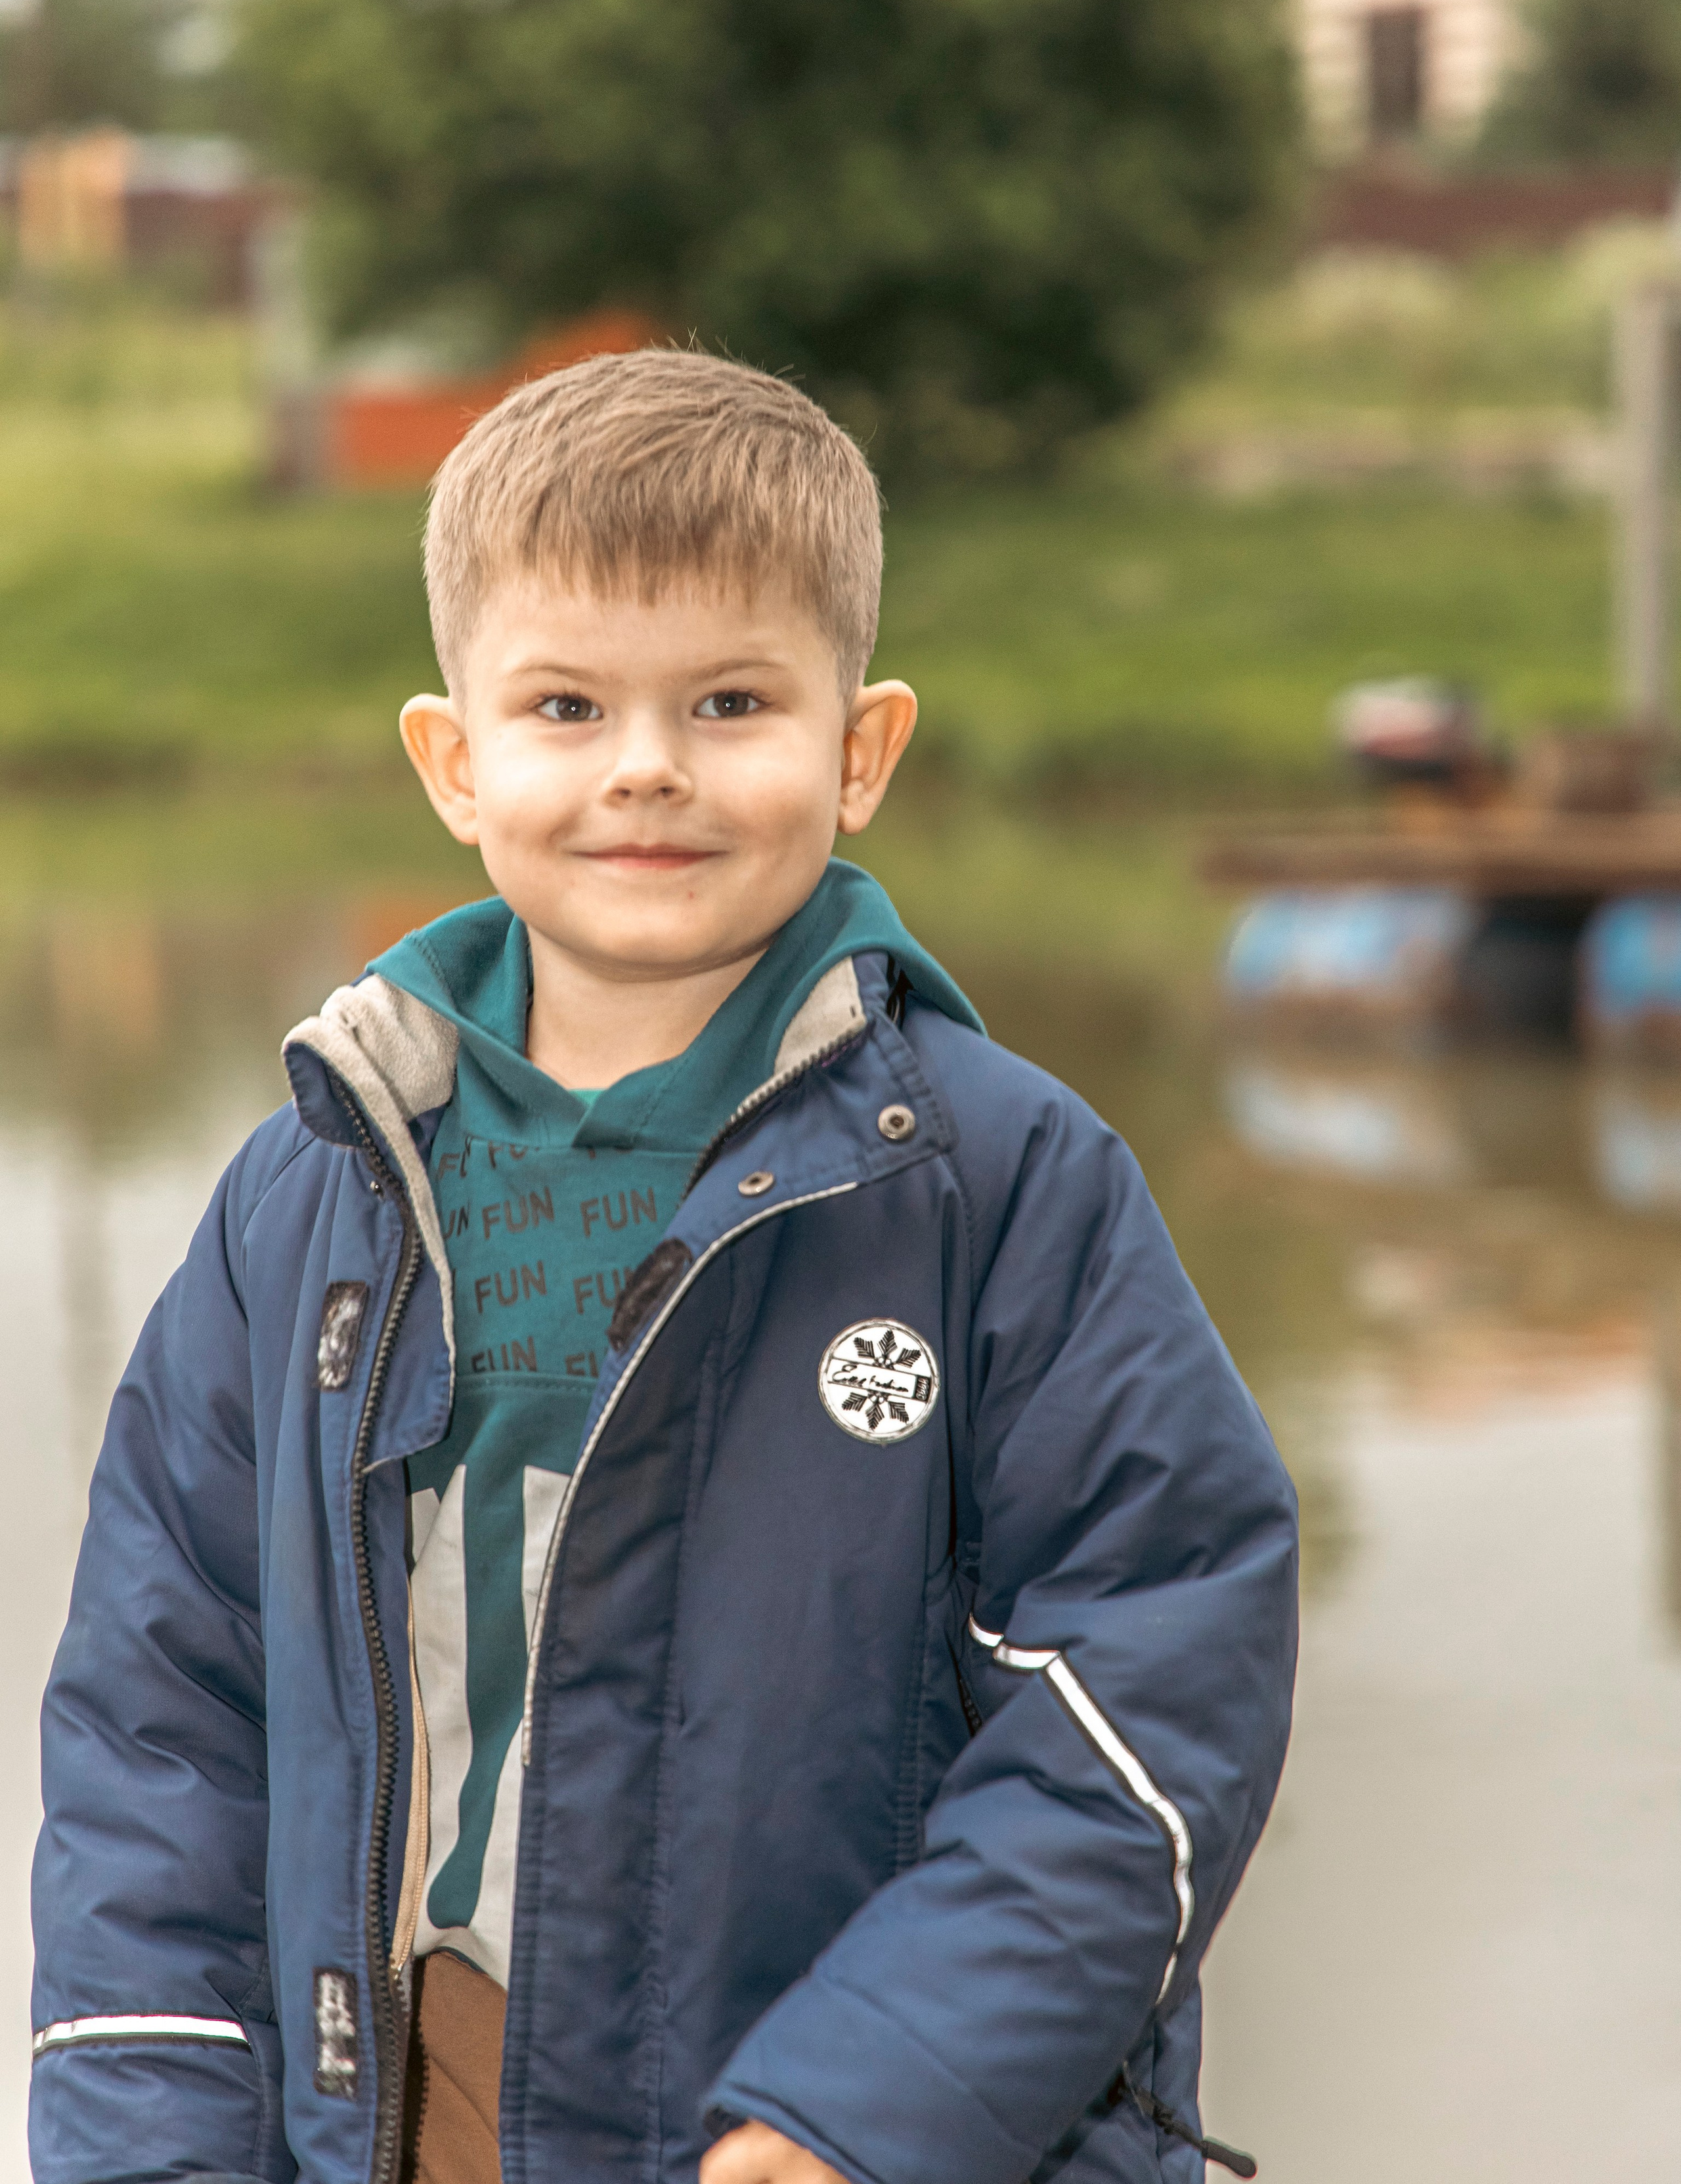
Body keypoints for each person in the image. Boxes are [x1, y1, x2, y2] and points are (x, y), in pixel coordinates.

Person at [30, 350, 1298, 2184]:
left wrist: (881, 2093)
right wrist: (145, 2146)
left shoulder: (1005, 1185)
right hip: (414, 2111)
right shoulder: (308, 1196)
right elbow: (161, 1726)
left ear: (859, 750)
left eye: (728, 700)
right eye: (564, 706)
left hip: (848, 2130)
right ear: (453, 763)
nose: (646, 770)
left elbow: (1157, 1681)